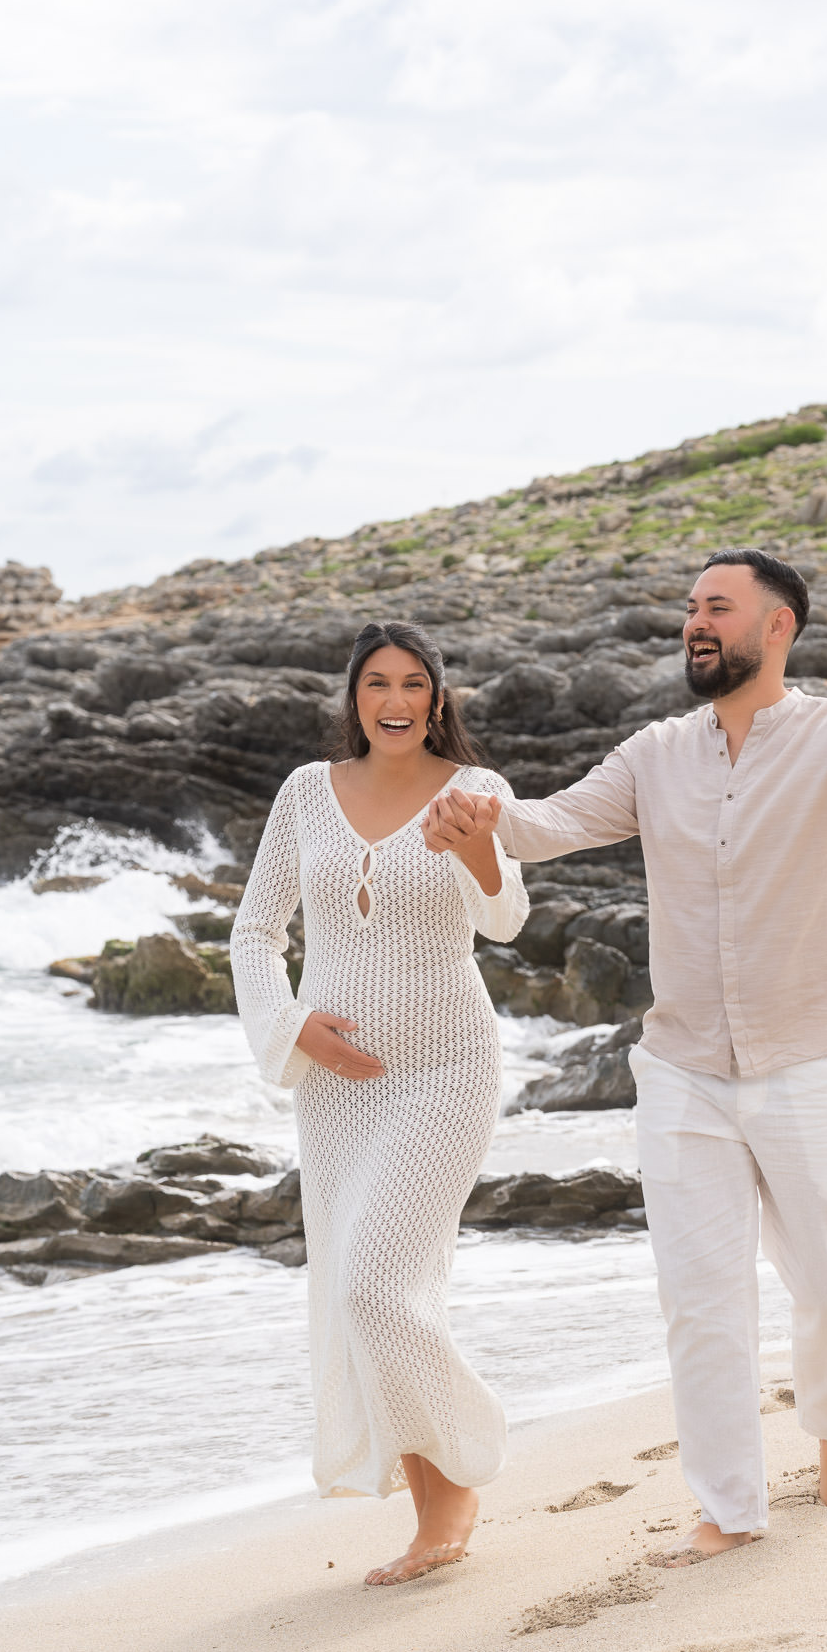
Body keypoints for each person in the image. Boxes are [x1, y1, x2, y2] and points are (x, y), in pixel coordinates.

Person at [423, 549, 827, 1568]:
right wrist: (483, 815)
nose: (694, 623)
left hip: (809, 1057)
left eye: (716, 608)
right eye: (689, 609)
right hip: (684, 1069)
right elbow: (550, 823)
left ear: (776, 626)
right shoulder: (654, 752)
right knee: (699, 1299)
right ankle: (728, 1509)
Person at [231, 620, 528, 1587]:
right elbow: (253, 934)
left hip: (447, 1067)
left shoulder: (475, 793)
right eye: (376, 686)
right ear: (353, 699)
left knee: (374, 1284)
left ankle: (458, 1478)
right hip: (335, 1089)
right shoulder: (306, 793)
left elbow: (506, 918)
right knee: (363, 1291)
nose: (394, 702)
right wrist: (291, 1029)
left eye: (412, 685)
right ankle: (436, 1494)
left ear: (438, 698)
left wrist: (480, 852)